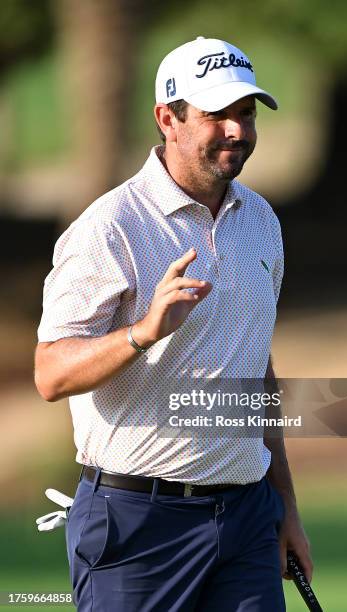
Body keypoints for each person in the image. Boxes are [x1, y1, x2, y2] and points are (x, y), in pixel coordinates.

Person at [34, 36, 312, 612]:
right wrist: (145, 330)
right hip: (137, 523)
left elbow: (257, 374)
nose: (238, 130)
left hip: (248, 518)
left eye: (246, 114)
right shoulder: (110, 226)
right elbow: (50, 373)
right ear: (169, 118)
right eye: (217, 115)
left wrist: (285, 507)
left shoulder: (260, 220)